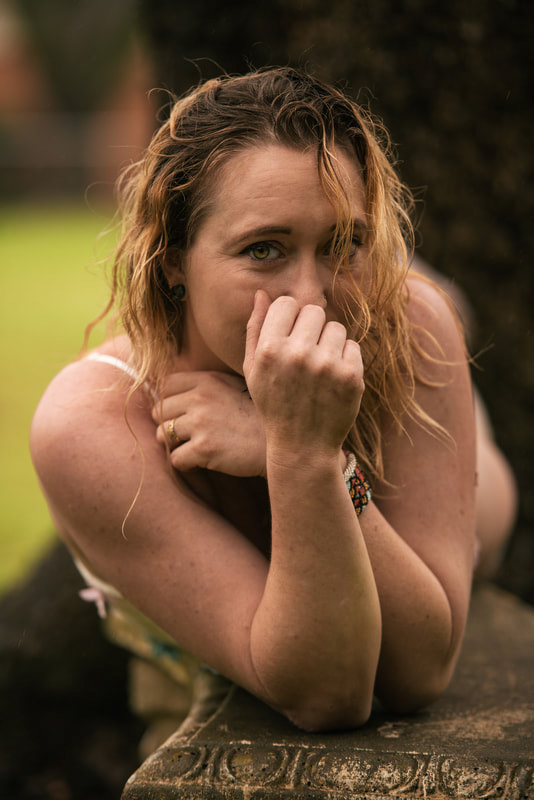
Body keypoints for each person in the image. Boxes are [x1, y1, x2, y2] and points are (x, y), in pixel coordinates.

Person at [30, 68, 516, 747]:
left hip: (470, 493)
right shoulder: (90, 425)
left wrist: (302, 453)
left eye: (344, 244)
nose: (311, 298)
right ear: (171, 260)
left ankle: (409, 270)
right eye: (264, 250)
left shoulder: (409, 329)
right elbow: (328, 694)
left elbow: (419, 671)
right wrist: (303, 451)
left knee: (430, 325)